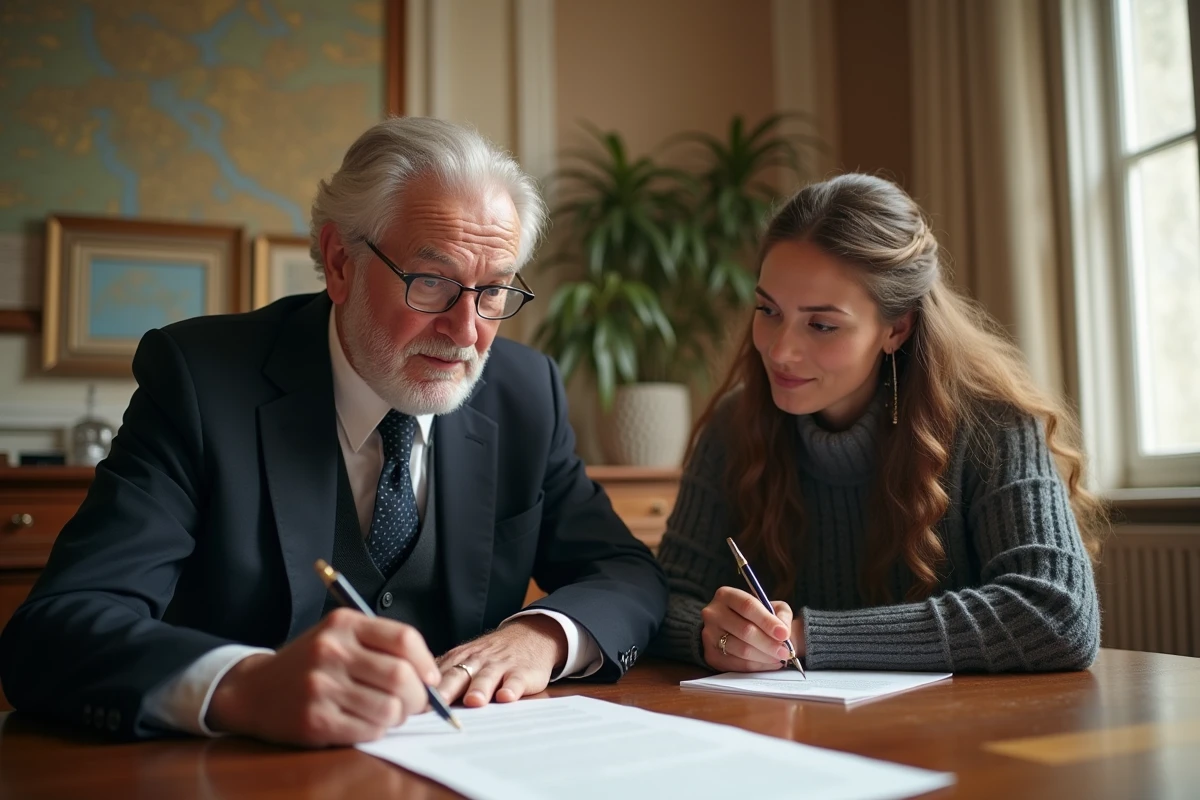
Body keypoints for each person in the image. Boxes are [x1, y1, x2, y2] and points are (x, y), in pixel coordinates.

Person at [0, 117, 666, 746]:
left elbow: (627, 575)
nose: (467, 333)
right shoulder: (202, 383)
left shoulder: (526, 394)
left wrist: (543, 635)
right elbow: (56, 633)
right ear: (340, 263)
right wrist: (244, 685)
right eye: (431, 282)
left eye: (493, 290)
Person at [652, 173, 1103, 675]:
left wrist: (804, 636)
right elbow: (662, 597)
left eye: (822, 324)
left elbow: (1058, 612)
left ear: (897, 327)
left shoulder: (993, 424)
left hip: (962, 741)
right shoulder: (733, 425)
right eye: (768, 310)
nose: (779, 350)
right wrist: (709, 633)